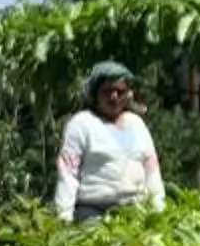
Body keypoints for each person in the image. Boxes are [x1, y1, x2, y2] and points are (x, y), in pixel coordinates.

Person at [55, 60, 165, 225]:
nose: (114, 97)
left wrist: (159, 211)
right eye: (107, 91)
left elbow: (152, 171)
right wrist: (63, 216)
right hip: (92, 213)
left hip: (135, 211)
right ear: (95, 94)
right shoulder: (81, 124)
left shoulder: (136, 124)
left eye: (120, 91)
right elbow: (68, 174)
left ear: (127, 95)